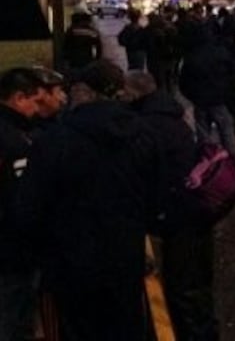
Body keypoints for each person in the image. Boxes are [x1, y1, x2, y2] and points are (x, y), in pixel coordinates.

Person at [18, 59, 165, 339]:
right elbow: (156, 196)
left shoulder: (56, 140)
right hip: (126, 256)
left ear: (84, 91)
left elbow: (31, 206)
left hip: (71, 263)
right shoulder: (143, 134)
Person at [125, 71, 219, 341]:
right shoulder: (173, 117)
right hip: (198, 210)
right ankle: (206, 330)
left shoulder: (148, 127)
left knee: (183, 289)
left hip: (179, 217)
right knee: (199, 284)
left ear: (133, 95)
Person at [0, 67, 44, 341]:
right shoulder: (15, 141)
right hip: (12, 248)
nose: (38, 109)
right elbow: (22, 199)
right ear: (18, 98)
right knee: (14, 318)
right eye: (35, 101)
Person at [179, 21, 235, 161]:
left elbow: (183, 82)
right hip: (219, 99)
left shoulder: (191, 57)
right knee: (226, 130)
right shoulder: (221, 52)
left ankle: (207, 161)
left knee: (204, 135)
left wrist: (193, 97)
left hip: (200, 101)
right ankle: (233, 162)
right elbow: (234, 73)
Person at [62, 8, 102, 73]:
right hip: (88, 61)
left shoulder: (71, 31)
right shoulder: (93, 32)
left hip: (74, 61)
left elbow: (66, 46)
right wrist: (97, 61)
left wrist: (66, 61)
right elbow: (99, 49)